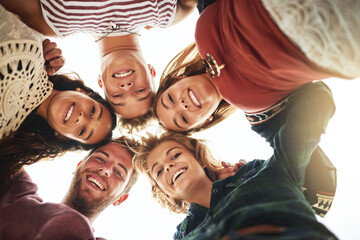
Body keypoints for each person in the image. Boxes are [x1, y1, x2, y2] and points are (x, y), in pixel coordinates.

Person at [134, 81, 338, 239]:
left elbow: (317, 100)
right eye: (158, 171)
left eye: (175, 155)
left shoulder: (266, 174)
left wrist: (264, 121)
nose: (168, 165)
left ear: (199, 159)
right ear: (164, 192)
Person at [154, 0, 360, 133]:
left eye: (170, 99)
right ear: (205, 122)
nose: (182, 104)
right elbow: (290, 162)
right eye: (182, 118)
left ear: (175, 80)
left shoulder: (203, 17)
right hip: (332, 42)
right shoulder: (262, 119)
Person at [0, 0, 199, 131]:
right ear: (151, 71)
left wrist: (32, 51)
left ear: (100, 82)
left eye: (118, 96)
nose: (127, 87)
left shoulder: (55, 24)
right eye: (140, 90)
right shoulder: (166, 14)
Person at [0, 5, 116, 194]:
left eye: (83, 130)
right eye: (93, 111)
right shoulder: (40, 48)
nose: (81, 118)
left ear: (62, 136)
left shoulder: (6, 142)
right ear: (84, 92)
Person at [0, 136, 138, 239]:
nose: (105, 169)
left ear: (120, 199)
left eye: (119, 172)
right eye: (100, 159)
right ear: (79, 166)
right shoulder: (18, 189)